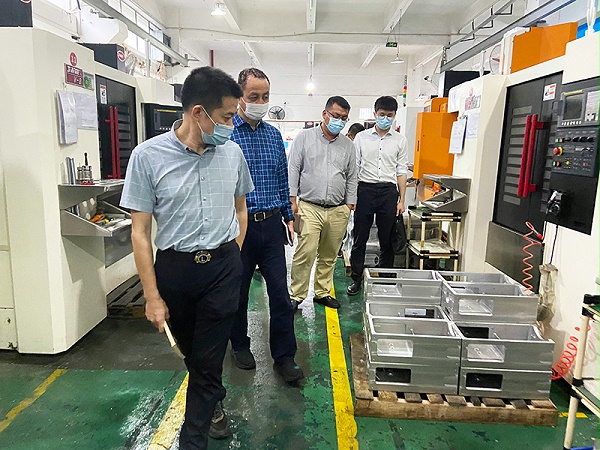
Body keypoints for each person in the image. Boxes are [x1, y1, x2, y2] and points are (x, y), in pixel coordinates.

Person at [120, 66, 254, 450]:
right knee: (193, 355)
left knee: (208, 361)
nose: (231, 125)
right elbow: (140, 232)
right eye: (226, 117)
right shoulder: (148, 157)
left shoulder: (233, 153)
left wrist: (232, 255)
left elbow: (241, 209)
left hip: (223, 267)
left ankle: (191, 441)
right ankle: (212, 398)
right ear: (198, 112)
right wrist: (152, 297)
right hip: (175, 271)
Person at [228, 67, 304, 383]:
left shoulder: (273, 135)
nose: (260, 102)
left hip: (271, 226)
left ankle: (284, 356)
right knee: (238, 292)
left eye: (265, 96)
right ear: (239, 97)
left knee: (280, 295)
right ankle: (239, 345)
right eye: (254, 96)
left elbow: (281, 180)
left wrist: (289, 216)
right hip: (238, 228)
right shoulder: (225, 134)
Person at [288, 96, 358, 310]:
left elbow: (352, 176)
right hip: (309, 206)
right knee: (306, 252)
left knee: (329, 254)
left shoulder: (348, 145)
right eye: (336, 115)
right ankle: (297, 295)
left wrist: (349, 204)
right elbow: (293, 169)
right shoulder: (304, 138)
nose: (339, 121)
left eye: (344, 118)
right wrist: (292, 199)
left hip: (338, 209)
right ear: (324, 114)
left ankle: (322, 292)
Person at [347, 96, 408, 296]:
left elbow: (401, 171)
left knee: (387, 238)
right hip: (365, 190)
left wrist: (401, 200)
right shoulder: (361, 138)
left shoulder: (400, 140)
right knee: (360, 237)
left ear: (394, 115)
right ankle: (356, 278)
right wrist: (352, 197)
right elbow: (354, 169)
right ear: (375, 114)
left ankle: (385, 277)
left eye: (389, 115)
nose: (385, 118)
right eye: (382, 114)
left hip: (388, 192)